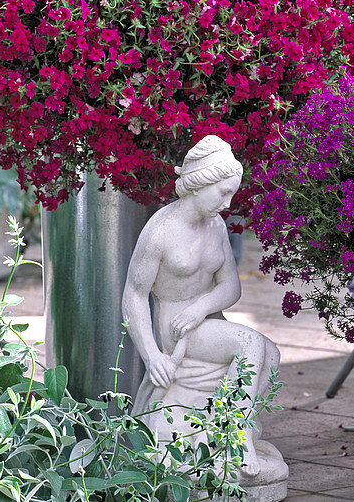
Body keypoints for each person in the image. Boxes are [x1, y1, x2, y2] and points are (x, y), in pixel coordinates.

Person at [122, 135, 284, 483]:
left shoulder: (216, 226)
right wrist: (152, 356)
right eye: (222, 193)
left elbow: (230, 287)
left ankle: (226, 428)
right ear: (200, 184)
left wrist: (202, 308)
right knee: (250, 345)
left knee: (270, 354)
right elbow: (134, 295)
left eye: (231, 194)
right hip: (175, 326)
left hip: (203, 320)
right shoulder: (160, 232)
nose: (227, 204)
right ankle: (234, 439)